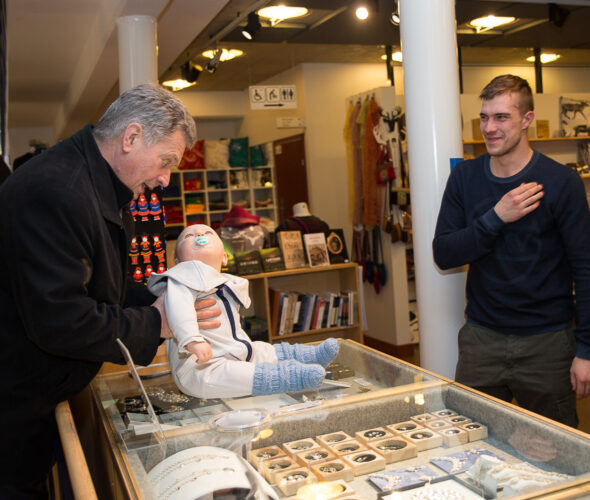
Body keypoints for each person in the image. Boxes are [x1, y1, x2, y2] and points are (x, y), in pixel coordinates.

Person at [0, 83, 218, 498]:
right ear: (131, 137)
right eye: (165, 161)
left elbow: (105, 287)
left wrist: (168, 296)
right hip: (12, 410)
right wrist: (157, 320)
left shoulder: (95, 182)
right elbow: (62, 320)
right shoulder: (57, 191)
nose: (165, 179)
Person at [432, 74, 590, 428]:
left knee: (553, 452)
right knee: (472, 443)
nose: (489, 128)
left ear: (527, 120)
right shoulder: (465, 178)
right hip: (482, 340)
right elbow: (444, 253)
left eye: (501, 117)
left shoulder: (561, 182)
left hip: (548, 343)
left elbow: (587, 270)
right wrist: (496, 217)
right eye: (484, 117)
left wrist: (588, 349)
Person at [147, 224, 338, 398]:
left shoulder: (225, 281)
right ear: (178, 261)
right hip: (201, 365)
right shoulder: (180, 280)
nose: (199, 234)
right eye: (189, 235)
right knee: (229, 376)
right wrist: (193, 339)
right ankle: (288, 376)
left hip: (236, 351)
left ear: (224, 257)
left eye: (208, 233)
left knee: (261, 349)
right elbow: (178, 309)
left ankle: (309, 356)